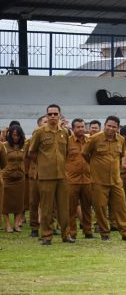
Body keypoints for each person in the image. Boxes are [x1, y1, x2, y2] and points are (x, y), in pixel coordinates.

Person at [82, 115, 126, 242]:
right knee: (100, 207)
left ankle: (125, 233)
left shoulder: (121, 140)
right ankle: (104, 233)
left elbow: (121, 156)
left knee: (121, 206)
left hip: (115, 180)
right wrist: (95, 166)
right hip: (99, 180)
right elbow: (85, 154)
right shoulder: (95, 138)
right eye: (109, 126)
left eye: (114, 127)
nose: (111, 129)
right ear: (105, 125)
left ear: (118, 128)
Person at [28, 104, 72, 245]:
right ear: (47, 115)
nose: (53, 116)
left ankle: (66, 235)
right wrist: (43, 163)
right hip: (46, 176)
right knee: (46, 208)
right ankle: (47, 236)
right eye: (50, 114)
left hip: (62, 175)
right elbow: (31, 152)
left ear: (59, 115)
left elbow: (67, 152)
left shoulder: (64, 132)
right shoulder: (39, 132)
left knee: (64, 207)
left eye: (55, 114)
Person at [66, 119, 93, 240]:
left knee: (87, 207)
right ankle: (72, 232)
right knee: (71, 208)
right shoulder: (67, 142)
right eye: (78, 127)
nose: (81, 129)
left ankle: (88, 231)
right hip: (72, 180)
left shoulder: (90, 141)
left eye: (82, 126)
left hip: (87, 179)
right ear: (73, 129)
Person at [26, 114, 48, 238]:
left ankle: (48, 225)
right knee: (34, 201)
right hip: (35, 174)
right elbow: (28, 155)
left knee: (50, 202)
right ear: (39, 125)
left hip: (49, 174)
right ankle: (34, 227)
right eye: (45, 122)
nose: (47, 123)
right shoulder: (33, 138)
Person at [2, 125, 25, 232]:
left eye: (18, 135)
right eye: (14, 135)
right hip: (7, 177)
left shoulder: (24, 145)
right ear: (10, 135)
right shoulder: (4, 146)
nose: (16, 137)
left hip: (20, 178)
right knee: (5, 202)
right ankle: (7, 225)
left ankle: (16, 224)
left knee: (19, 202)